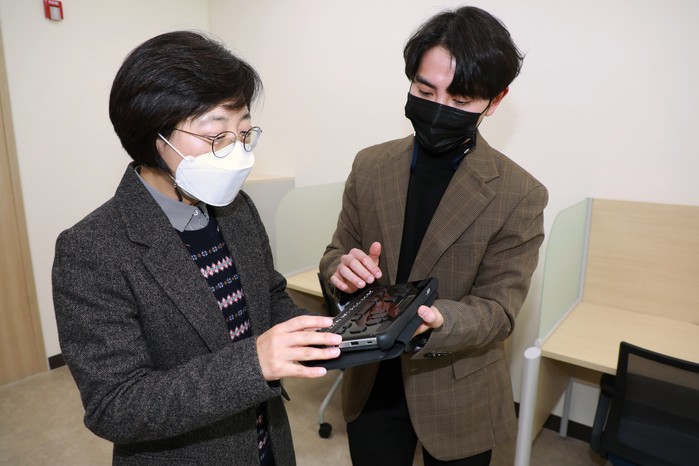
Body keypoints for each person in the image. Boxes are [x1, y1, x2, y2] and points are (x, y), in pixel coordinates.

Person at [52, 30, 341, 465]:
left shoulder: (236, 209)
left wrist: (333, 333)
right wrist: (253, 364)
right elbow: (116, 405)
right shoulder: (92, 250)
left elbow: (269, 297)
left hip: (268, 442)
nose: (237, 152)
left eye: (243, 132)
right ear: (154, 135)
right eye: (216, 136)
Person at [319, 6, 548, 466]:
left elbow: (499, 311)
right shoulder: (370, 166)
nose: (439, 108)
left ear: (495, 101)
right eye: (425, 92)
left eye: (461, 100)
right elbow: (334, 255)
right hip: (371, 383)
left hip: (458, 389)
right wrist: (340, 273)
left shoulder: (519, 193)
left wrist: (437, 321)